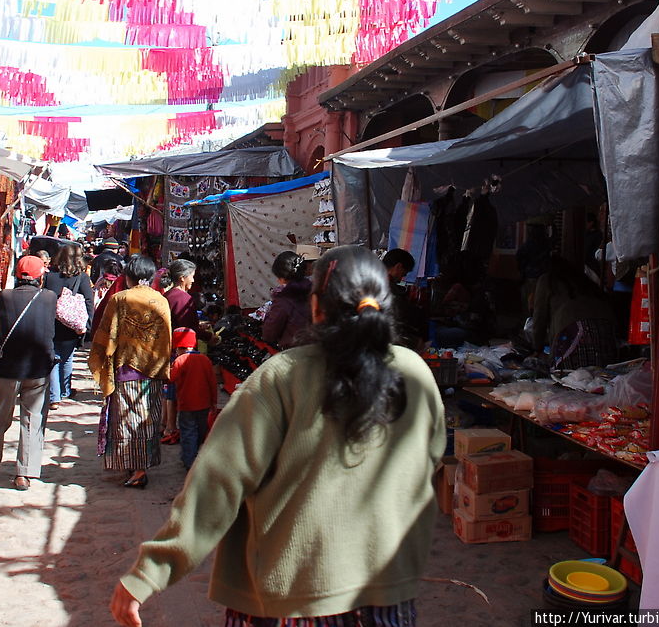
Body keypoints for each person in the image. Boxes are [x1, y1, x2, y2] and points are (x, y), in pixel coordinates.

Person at [109, 245, 446, 627]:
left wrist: (149, 572)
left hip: (291, 599)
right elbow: (430, 462)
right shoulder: (415, 372)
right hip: (390, 591)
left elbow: (218, 482)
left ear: (317, 306)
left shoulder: (280, 375)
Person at [89, 254, 172, 489]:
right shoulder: (160, 301)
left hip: (126, 369)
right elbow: (165, 338)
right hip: (153, 371)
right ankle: (140, 466)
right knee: (148, 419)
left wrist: (101, 359)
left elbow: (107, 333)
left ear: (129, 277)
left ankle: (136, 470)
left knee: (126, 421)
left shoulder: (120, 299)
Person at [0, 255, 57, 491]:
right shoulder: (49, 298)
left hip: (8, 367)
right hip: (38, 368)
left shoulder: (5, 296)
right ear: (40, 276)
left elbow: (0, 329)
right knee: (33, 419)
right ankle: (25, 473)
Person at [531, 256, 618, 370]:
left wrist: (536, 349)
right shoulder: (583, 280)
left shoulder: (547, 280)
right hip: (605, 330)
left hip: (574, 332)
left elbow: (539, 318)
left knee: (568, 376)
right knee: (600, 376)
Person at [43, 245, 94, 409]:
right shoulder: (82, 277)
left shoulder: (50, 276)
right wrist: (88, 324)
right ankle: (64, 391)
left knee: (53, 358)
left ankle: (54, 397)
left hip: (52, 322)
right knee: (67, 358)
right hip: (72, 325)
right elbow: (88, 301)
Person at [161, 258, 200, 444]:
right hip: (181, 350)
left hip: (167, 348)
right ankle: (171, 426)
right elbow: (191, 328)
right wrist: (209, 336)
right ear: (183, 278)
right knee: (176, 389)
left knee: (168, 387)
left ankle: (164, 423)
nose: (193, 279)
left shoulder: (166, 296)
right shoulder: (185, 299)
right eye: (192, 276)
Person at [169, 327, 218, 469]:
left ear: (178, 347)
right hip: (204, 404)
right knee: (200, 430)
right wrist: (213, 402)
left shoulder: (179, 361)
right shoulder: (205, 360)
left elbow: (171, 378)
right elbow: (212, 383)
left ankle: (189, 460)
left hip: (186, 405)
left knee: (188, 431)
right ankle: (193, 455)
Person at [261, 251, 311, 350]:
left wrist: (267, 316)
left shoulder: (284, 298)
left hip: (297, 353)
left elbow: (270, 333)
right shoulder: (317, 289)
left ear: (282, 278)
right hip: (321, 350)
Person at [383, 248, 428, 352]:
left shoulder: (375, 278)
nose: (401, 279)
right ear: (398, 267)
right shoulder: (385, 284)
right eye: (404, 274)